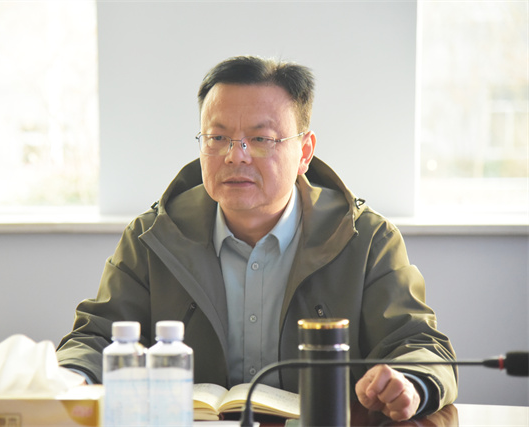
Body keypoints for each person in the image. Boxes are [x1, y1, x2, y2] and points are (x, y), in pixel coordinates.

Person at [57, 55, 458, 421]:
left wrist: (410, 383)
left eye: (261, 139)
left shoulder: (365, 239)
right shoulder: (153, 237)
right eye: (217, 138)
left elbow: (421, 344)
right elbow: (96, 336)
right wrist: (69, 375)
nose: (236, 155)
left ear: (305, 152)